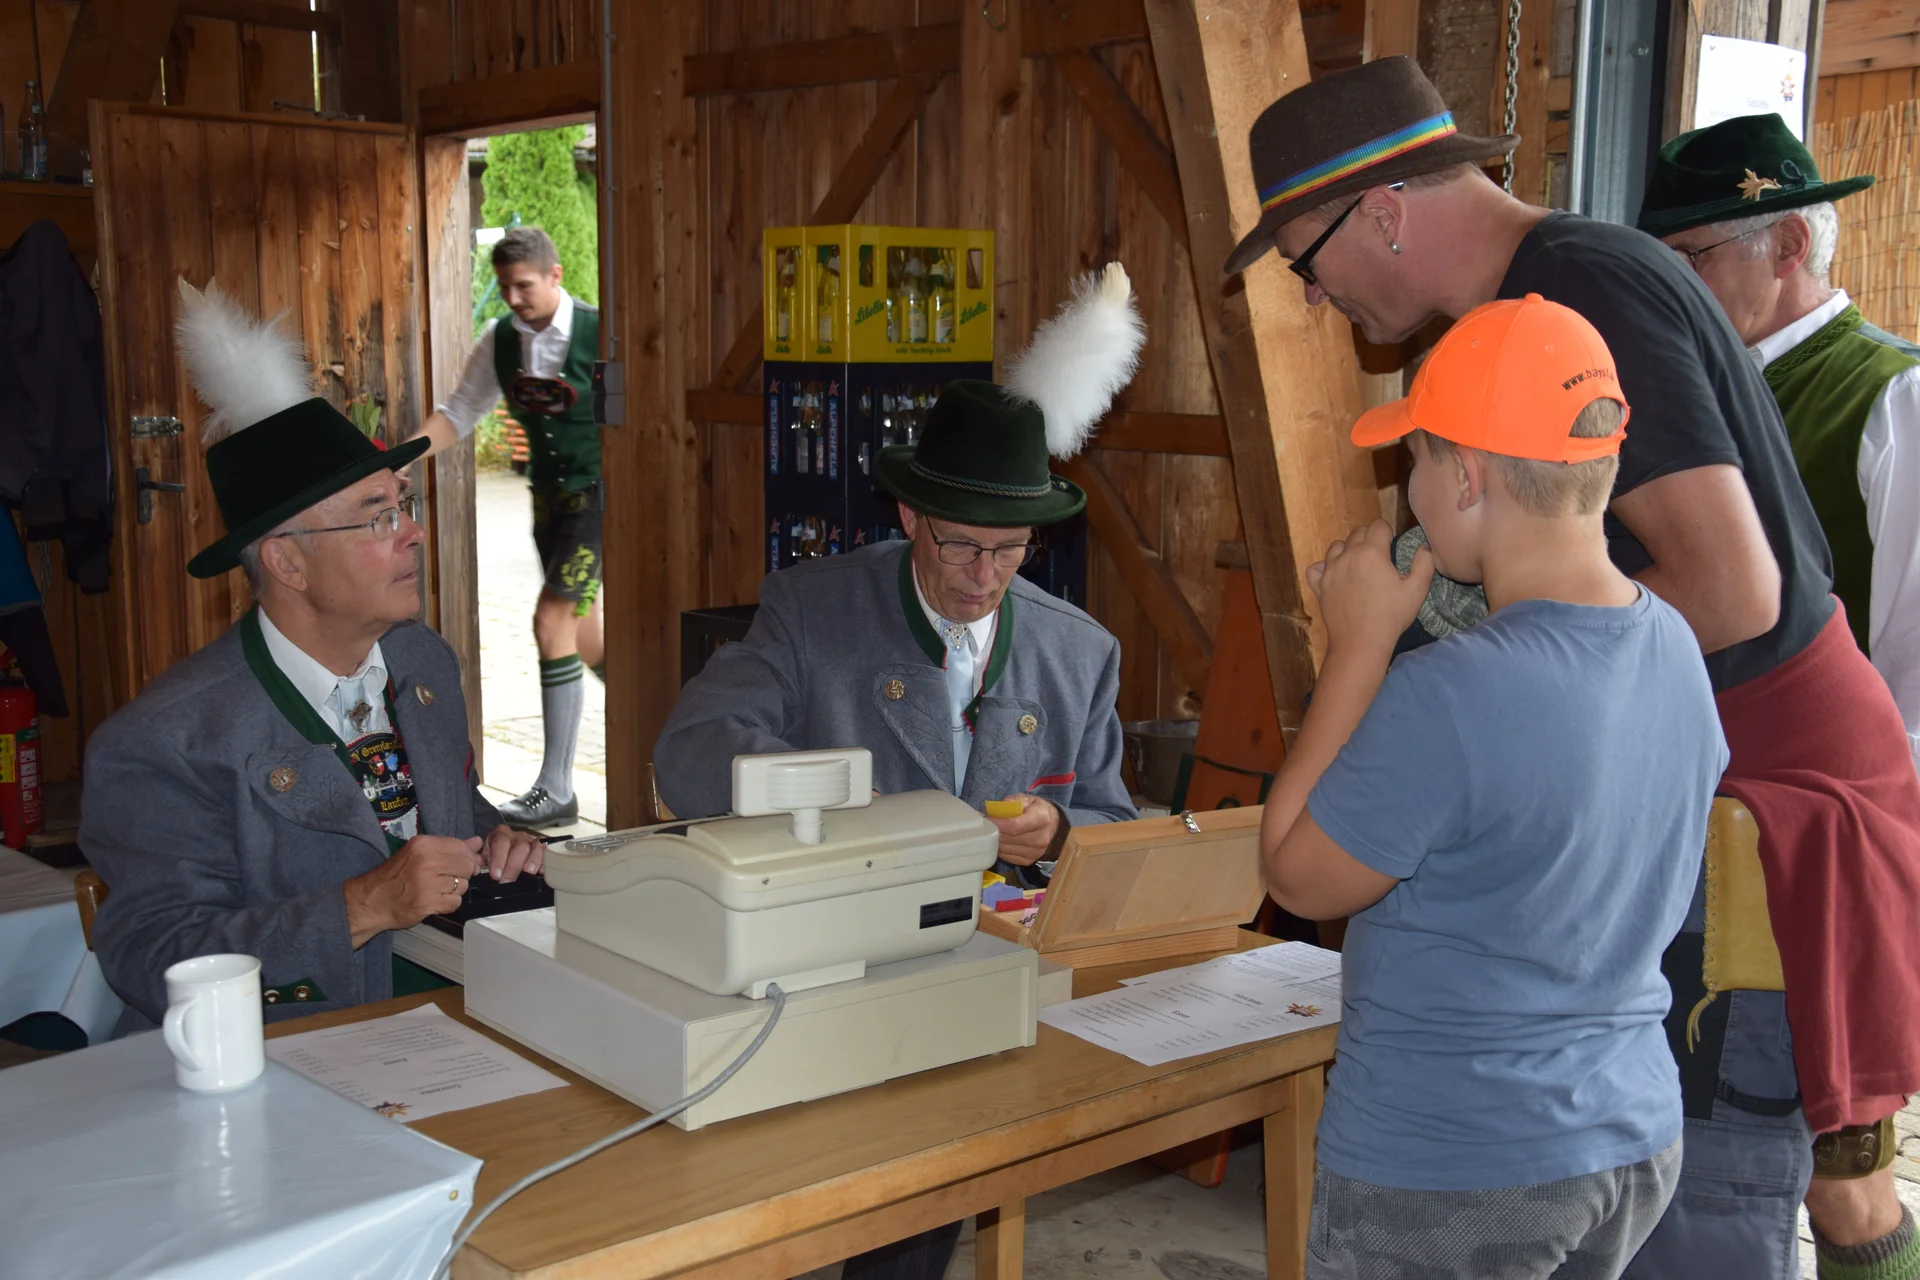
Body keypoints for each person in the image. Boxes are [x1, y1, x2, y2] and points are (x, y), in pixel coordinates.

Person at [1229, 56, 1920, 1280]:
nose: (1317, 299)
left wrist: (1441, 638)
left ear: (1379, 212)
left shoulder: (1575, 289)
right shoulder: (1570, 283)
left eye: (1303, 261)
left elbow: (1728, 587)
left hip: (1771, 794)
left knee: (1738, 1216)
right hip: (1690, 791)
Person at [655, 265, 1145, 1280]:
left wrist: (1057, 837)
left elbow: (1110, 818)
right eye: (960, 544)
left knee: (920, 1213)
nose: (983, 575)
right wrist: (869, 812)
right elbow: (691, 754)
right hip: (824, 960)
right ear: (911, 518)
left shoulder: (1077, 651)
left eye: (1011, 551)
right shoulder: (811, 608)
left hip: (989, 971)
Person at [1262, 295, 1721, 1278]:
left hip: (1454, 1161)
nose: (1409, 493)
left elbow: (1297, 874)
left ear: (1466, 475)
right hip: (1627, 1132)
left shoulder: (1451, 692)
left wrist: (1361, 644)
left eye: (1415, 462)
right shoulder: (1677, 646)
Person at [83, 281, 542, 1028]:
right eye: (377, 518)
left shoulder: (421, 662)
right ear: (287, 564)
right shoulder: (165, 742)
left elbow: (433, 811)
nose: (413, 533)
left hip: (458, 1012)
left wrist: (496, 840)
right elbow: (153, 956)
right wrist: (363, 906)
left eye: (405, 505)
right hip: (278, 1055)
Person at [1640, 112, 1920, 776]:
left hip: (1838, 801)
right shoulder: (1689, 386)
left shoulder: (1896, 396)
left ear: (1788, 246)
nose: (1666, 289)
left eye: (1687, 259)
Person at [409, 226, 602, 828]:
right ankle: (666, 728)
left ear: (555, 275)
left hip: (602, 499)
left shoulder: (601, 332)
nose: (514, 298)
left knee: (551, 621)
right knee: (590, 641)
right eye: (505, 287)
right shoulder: (500, 342)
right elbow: (460, 412)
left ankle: (556, 788)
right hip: (548, 504)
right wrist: (396, 457)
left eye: (524, 285)